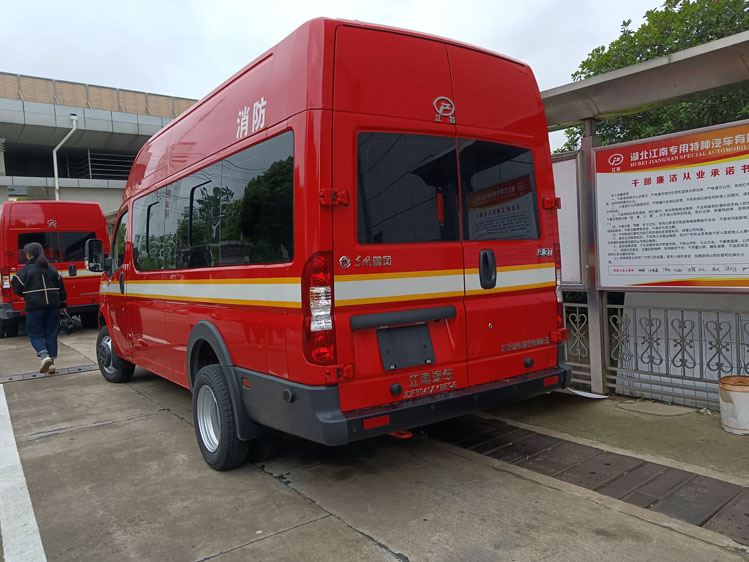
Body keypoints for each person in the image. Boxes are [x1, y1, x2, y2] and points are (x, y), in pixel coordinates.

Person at [11, 242, 67, 374]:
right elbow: (62, 289)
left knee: (35, 334)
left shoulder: (24, 272)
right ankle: (51, 363)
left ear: (29, 254)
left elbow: (17, 288)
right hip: (53, 306)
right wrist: (63, 305)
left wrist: (28, 295)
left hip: (35, 307)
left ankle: (44, 356)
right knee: (51, 334)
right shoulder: (52, 269)